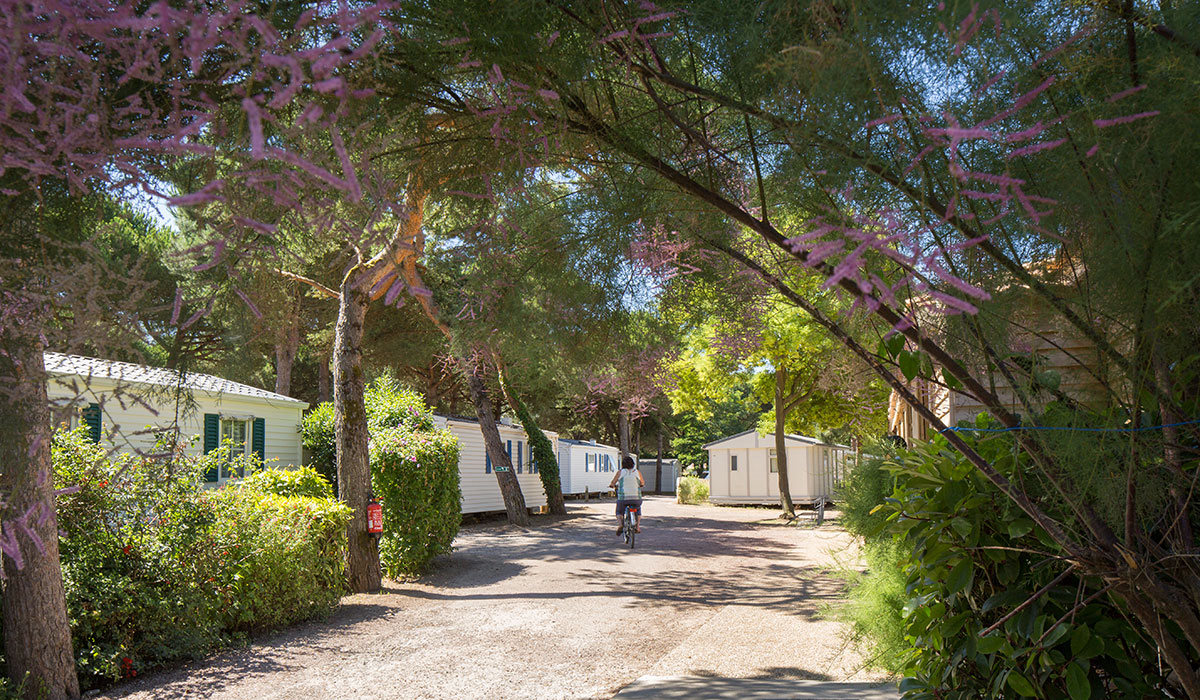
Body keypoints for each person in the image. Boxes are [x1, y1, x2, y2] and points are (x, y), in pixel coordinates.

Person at [610, 455, 644, 535]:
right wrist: (641, 485)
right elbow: (642, 482)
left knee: (619, 511)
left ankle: (620, 525)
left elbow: (613, 482)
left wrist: (612, 485)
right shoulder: (637, 472)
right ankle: (637, 526)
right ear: (633, 464)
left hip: (623, 499)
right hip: (636, 498)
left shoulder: (620, 472)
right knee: (637, 510)